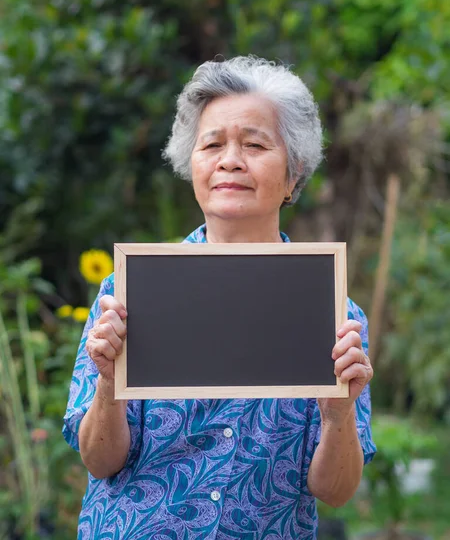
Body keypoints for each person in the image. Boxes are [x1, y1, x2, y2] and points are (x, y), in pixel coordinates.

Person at [63, 56, 376, 539]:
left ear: (294, 174)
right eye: (212, 144)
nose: (230, 159)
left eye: (254, 144)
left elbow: (334, 492)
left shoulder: (335, 312)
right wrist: (109, 383)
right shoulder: (128, 291)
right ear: (192, 166)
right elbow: (100, 461)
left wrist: (339, 411)